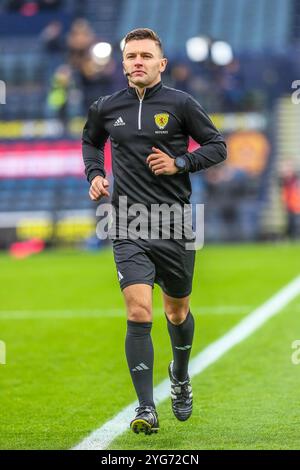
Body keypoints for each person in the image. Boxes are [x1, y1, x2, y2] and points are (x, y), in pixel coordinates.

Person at [82, 28, 227, 435]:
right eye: (131, 56)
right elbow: (91, 142)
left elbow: (217, 146)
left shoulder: (181, 104)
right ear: (123, 63)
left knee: (176, 312)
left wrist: (180, 164)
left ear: (161, 63)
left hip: (177, 221)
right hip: (126, 220)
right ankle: (146, 408)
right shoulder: (106, 108)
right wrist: (95, 174)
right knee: (138, 311)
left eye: (146, 55)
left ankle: (179, 375)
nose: (138, 62)